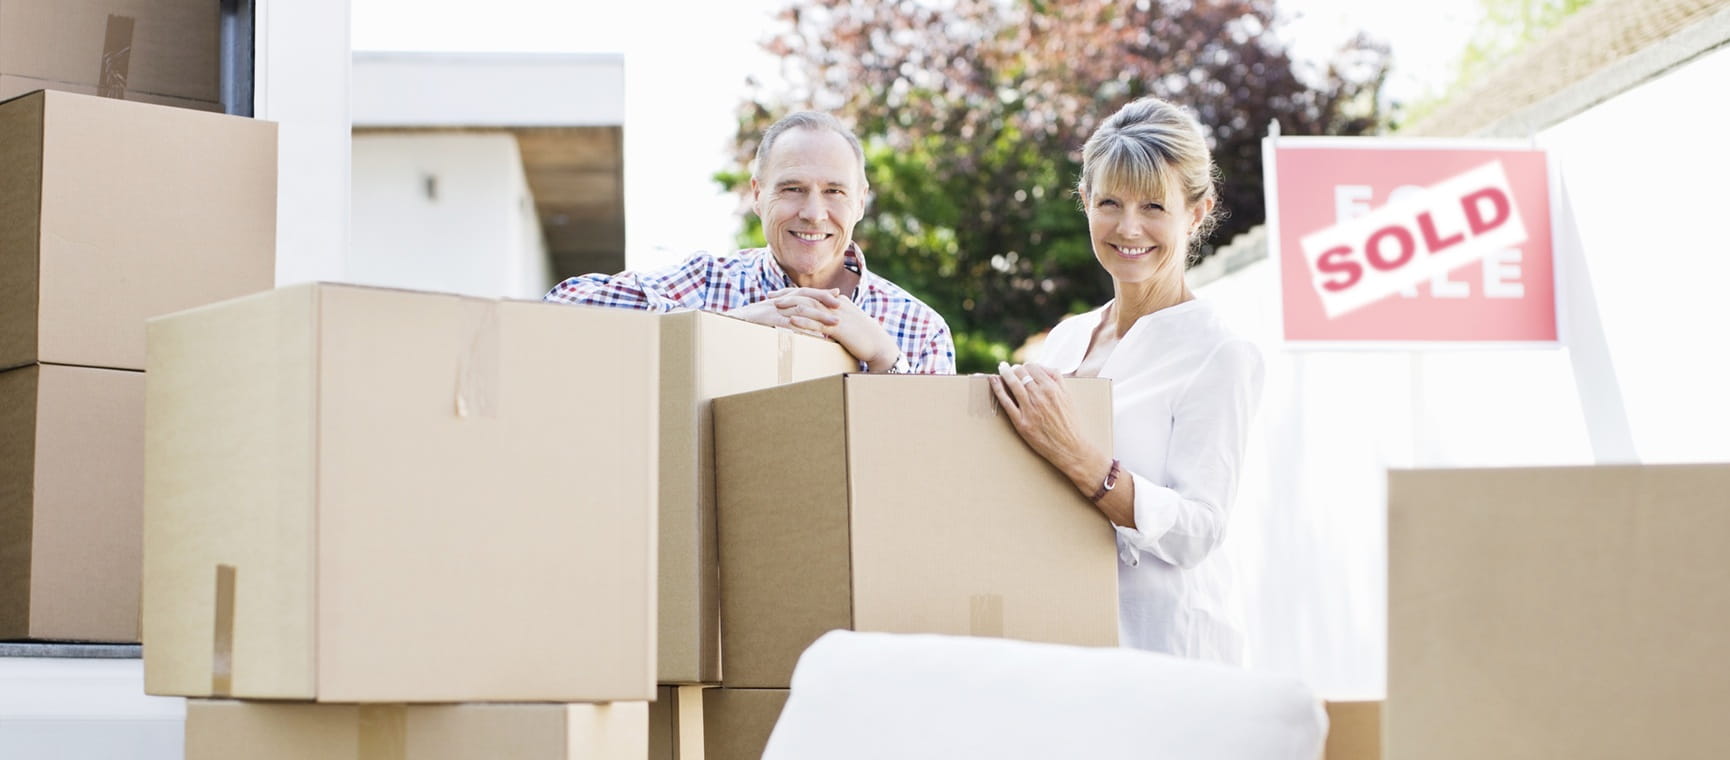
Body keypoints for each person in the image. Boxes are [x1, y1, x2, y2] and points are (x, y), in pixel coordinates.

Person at [989, 97, 1264, 665]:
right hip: (1060, 638)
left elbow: (1199, 531)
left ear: (1197, 211)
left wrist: (1083, 460)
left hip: (1163, 651)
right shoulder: (1066, 339)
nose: (1128, 227)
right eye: (1109, 202)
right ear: (1085, 201)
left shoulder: (1219, 353)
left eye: (1154, 205)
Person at [543, 111, 955, 374]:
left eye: (834, 191)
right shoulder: (706, 282)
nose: (813, 212)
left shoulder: (921, 329)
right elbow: (561, 308)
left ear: (861, 200)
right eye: (792, 188)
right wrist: (724, 327)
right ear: (757, 194)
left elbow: (931, 470)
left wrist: (887, 359)